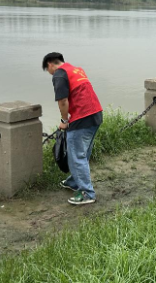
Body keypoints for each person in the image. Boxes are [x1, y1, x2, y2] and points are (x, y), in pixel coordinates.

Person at [42, 52, 103, 205]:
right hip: (95, 114)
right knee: (82, 153)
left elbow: (62, 101)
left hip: (81, 118)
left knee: (77, 156)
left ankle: (87, 193)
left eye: (47, 69)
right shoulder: (77, 70)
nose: (49, 73)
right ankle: (74, 182)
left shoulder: (59, 74)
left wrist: (64, 120)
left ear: (50, 64)